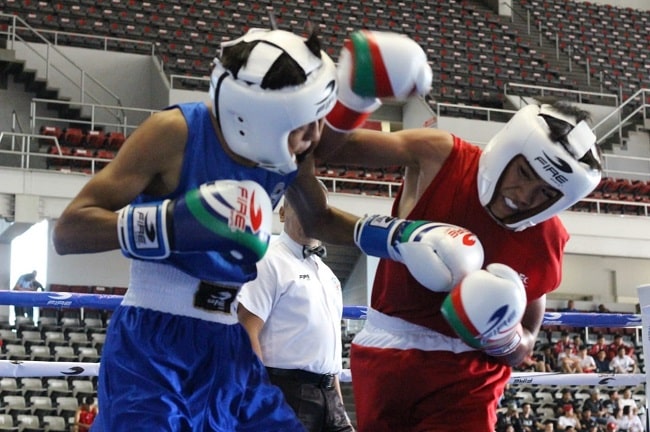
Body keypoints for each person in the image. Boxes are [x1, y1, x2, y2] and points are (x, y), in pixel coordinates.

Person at [52, 27, 432, 431]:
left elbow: (319, 218)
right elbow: (69, 231)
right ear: (260, 119)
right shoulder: (174, 133)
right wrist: (173, 224)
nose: (315, 139)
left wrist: (397, 238)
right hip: (153, 341)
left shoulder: (287, 151)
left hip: (228, 343)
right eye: (306, 126)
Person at [299, 75, 601, 429]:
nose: (524, 195)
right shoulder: (440, 156)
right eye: (525, 173)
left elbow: (525, 344)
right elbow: (313, 150)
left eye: (544, 194)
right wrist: (355, 93)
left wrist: (503, 336)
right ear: (510, 148)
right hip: (385, 355)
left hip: (471, 374)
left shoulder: (546, 239)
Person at [237, 190, 354, 432]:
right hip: (285, 392)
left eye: (318, 211)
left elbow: (328, 353)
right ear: (282, 213)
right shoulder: (268, 260)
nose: (311, 217)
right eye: (302, 207)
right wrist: (261, 397)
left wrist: (340, 408)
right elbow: (246, 330)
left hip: (329, 396)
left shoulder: (328, 275)